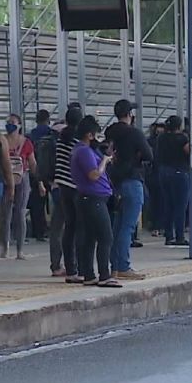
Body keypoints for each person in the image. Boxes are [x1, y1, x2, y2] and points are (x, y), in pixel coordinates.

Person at [102, 99, 151, 280]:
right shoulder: (134, 133)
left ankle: (114, 266)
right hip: (132, 180)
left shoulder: (110, 131)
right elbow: (149, 154)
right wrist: (136, 155)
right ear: (130, 114)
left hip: (114, 182)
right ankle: (123, 266)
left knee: (117, 225)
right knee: (127, 227)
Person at [71, 115, 121, 288]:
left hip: (90, 198)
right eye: (96, 134)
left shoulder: (82, 149)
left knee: (91, 238)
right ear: (89, 134)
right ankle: (104, 275)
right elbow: (93, 174)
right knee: (106, 236)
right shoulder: (84, 151)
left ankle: (89, 275)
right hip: (93, 199)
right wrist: (105, 162)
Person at [49, 107, 83, 281]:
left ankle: (56, 265)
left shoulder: (60, 138)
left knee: (57, 227)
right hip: (75, 187)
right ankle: (74, 265)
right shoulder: (78, 140)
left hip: (59, 186)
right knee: (74, 228)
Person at [1, 113, 41, 259]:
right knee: (5, 215)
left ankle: (19, 250)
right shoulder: (2, 140)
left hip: (22, 179)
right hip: (5, 180)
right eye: (7, 122)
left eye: (12, 122)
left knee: (20, 214)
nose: (9, 124)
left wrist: (40, 181)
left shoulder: (26, 143)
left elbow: (32, 163)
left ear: (19, 125)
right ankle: (5, 247)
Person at [156, 115, 190, 246]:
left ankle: (168, 235)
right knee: (180, 206)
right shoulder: (182, 138)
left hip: (164, 172)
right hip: (179, 172)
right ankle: (179, 236)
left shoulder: (161, 138)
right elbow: (188, 151)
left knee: (168, 204)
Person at [28, 109, 53, 241]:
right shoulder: (51, 134)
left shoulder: (31, 135)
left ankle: (38, 231)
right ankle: (52, 230)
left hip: (35, 172)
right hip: (50, 172)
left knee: (37, 203)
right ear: (48, 119)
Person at [146, 121, 165, 237]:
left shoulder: (150, 141)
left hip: (153, 173)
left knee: (155, 201)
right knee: (160, 201)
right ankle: (158, 225)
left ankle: (155, 225)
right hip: (158, 173)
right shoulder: (163, 141)